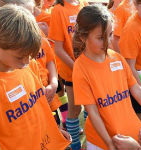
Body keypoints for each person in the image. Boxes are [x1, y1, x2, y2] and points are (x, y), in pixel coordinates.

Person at [0, 5, 70, 150]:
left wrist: (54, 131)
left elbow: (38, 108)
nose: (26, 62)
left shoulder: (28, 65)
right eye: (20, 57)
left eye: (30, 56)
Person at [72, 5, 141, 149]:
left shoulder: (117, 58)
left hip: (127, 136)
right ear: (83, 37)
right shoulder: (80, 68)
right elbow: (93, 113)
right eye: (100, 38)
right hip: (101, 142)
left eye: (110, 34)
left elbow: (137, 89)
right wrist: (109, 143)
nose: (108, 41)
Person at [48, 0, 88, 149]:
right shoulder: (58, 10)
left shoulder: (83, 4)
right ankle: (75, 145)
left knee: (91, 106)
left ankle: (90, 140)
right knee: (75, 109)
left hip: (88, 68)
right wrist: (77, 68)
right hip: (71, 71)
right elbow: (58, 48)